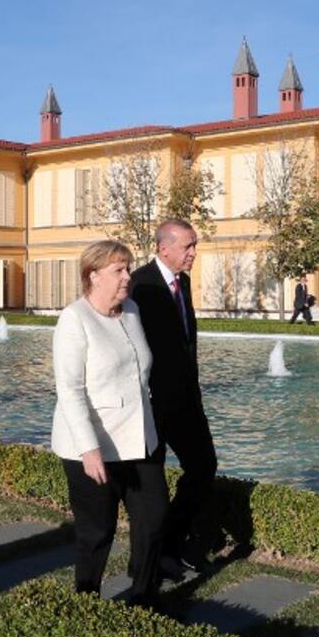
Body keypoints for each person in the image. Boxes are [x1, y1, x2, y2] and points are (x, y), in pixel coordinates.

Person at [52, 240, 167, 608]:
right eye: (119, 270)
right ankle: (86, 605)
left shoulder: (131, 310)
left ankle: (144, 597)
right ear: (93, 275)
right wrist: (89, 449)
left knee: (153, 519)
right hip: (94, 446)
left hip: (140, 441)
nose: (127, 277)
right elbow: (70, 390)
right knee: (96, 532)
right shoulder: (75, 318)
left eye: (128, 268)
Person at [128, 219, 218, 579]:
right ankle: (147, 562)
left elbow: (185, 342)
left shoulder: (183, 281)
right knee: (150, 490)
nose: (194, 252)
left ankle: (172, 544)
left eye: (194, 245)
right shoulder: (140, 284)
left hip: (185, 398)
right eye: (188, 246)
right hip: (152, 402)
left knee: (203, 465)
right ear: (165, 248)